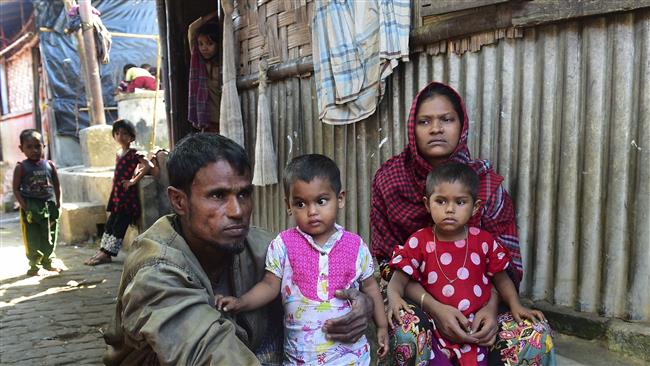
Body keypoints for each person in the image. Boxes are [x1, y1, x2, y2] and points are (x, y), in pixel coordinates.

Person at [102, 133, 374, 365]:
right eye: (218, 196)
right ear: (179, 201)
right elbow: (208, 353)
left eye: (243, 194)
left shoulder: (267, 247)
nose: (237, 211)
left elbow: (342, 286)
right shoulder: (155, 270)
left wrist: (363, 305)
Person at [371, 81, 556, 365]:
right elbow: (387, 264)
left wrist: (491, 309)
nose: (436, 129)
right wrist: (435, 308)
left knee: (534, 334)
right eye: (425, 121)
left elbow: (505, 265)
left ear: (461, 125)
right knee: (409, 332)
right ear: (413, 128)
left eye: (446, 119)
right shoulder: (390, 180)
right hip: (415, 297)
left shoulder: (485, 185)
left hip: (481, 303)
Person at [216, 154, 388, 364]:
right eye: (300, 204)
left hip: (351, 358)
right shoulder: (283, 244)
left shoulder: (356, 246)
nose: (312, 211)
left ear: (340, 199)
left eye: (321, 201)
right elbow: (270, 285)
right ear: (288, 205)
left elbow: (370, 288)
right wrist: (241, 302)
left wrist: (381, 326)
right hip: (300, 358)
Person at [387, 163, 551, 366]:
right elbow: (398, 280)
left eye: (460, 202)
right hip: (437, 332)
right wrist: (393, 297)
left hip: (477, 330)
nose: (449, 209)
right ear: (427, 205)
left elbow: (502, 279)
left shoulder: (484, 241)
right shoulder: (418, 241)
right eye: (440, 201)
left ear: (475, 207)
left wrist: (515, 305)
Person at [84, 119, 151, 266]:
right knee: (111, 224)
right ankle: (103, 251)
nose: (120, 136)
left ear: (132, 137)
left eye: (125, 133)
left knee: (119, 225)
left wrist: (133, 181)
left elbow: (148, 165)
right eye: (117, 133)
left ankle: (107, 253)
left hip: (127, 197)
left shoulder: (135, 153)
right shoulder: (119, 153)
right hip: (117, 195)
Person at [13, 129, 62, 276]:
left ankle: (48, 261)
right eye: (29, 147)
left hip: (49, 204)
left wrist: (58, 202)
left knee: (50, 234)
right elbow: (16, 189)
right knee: (32, 236)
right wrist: (26, 207)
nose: (34, 150)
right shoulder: (21, 167)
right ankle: (34, 265)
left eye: (38, 146)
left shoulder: (49, 165)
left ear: (43, 146)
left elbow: (56, 185)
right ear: (22, 149)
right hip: (31, 205)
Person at [187, 13, 221, 131]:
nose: (204, 48)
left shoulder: (224, 65)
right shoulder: (199, 63)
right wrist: (216, 12)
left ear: (219, 44)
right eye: (201, 44)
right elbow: (192, 29)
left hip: (224, 121)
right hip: (206, 123)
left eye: (210, 44)